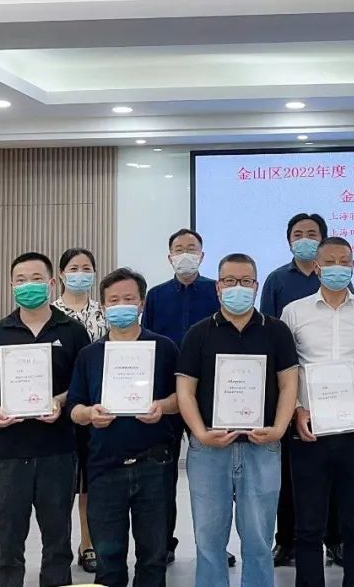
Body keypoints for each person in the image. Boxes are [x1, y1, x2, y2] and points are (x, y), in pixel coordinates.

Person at [176, 253, 299, 587]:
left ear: (256, 286)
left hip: (262, 447)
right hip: (209, 448)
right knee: (208, 540)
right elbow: (185, 390)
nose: (238, 287)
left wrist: (279, 429)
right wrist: (200, 433)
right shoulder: (199, 333)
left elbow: (289, 384)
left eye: (245, 281)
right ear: (218, 287)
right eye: (230, 281)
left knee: (259, 540)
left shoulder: (276, 331)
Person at [0, 252, 92, 587]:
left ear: (51, 283)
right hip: (8, 452)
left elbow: (82, 387)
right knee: (7, 545)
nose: (29, 286)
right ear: (11, 285)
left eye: (36, 279)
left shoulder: (73, 331)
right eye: (21, 280)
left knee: (57, 542)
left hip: (58, 450)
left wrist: (59, 401)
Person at [67, 267, 181, 587]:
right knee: (108, 561)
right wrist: (90, 413)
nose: (121, 306)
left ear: (141, 303)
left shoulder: (165, 348)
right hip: (105, 467)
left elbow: (182, 398)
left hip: (154, 464)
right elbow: (73, 407)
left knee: (153, 558)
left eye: (128, 299)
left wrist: (162, 407)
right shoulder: (90, 355)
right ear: (103, 306)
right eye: (113, 300)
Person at [282, 237, 354, 587]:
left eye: (345, 261)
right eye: (330, 261)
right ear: (316, 267)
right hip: (309, 431)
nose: (337, 267)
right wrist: (297, 409)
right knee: (308, 526)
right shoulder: (294, 312)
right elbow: (287, 371)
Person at [259, 212, 346, 567]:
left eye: (312, 233)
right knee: (291, 474)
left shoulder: (339, 279)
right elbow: (267, 331)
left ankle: (335, 540)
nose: (305, 239)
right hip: (291, 389)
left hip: (334, 392)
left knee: (335, 472)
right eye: (298, 234)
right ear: (289, 240)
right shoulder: (277, 280)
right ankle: (287, 542)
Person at [142, 228, 222, 566]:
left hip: (209, 395)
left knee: (213, 476)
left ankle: (216, 546)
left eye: (192, 248)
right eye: (179, 249)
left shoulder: (217, 291)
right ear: (169, 256)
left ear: (202, 256)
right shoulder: (156, 296)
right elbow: (147, 343)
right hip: (167, 396)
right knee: (163, 475)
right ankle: (163, 543)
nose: (185, 254)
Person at [52, 247, 107, 574]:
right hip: (55, 412)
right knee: (60, 485)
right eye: (73, 268)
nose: (80, 274)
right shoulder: (49, 314)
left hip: (95, 410)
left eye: (87, 268)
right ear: (61, 274)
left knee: (90, 482)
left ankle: (88, 543)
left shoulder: (105, 312)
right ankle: (57, 548)